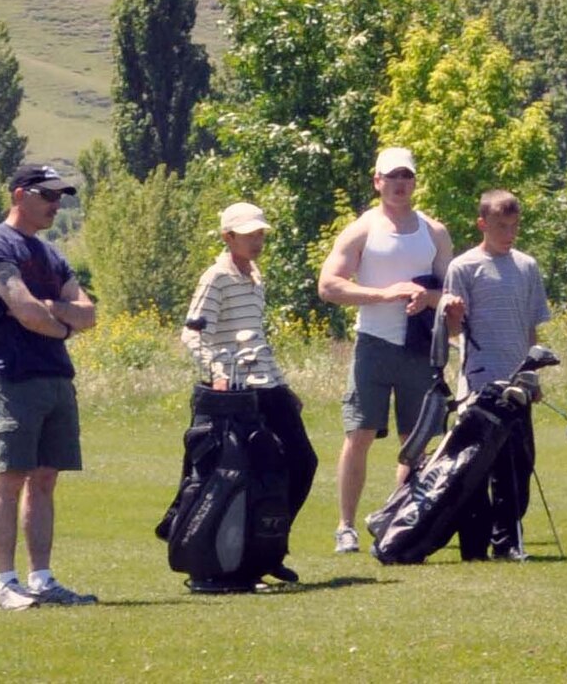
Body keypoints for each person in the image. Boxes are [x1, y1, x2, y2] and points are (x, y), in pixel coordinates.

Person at [0, 163, 99, 610]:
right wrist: (62, 325)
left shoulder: (51, 254)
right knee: (10, 479)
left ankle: (40, 579)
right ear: (21, 195)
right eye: (48, 196)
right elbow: (22, 309)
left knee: (45, 480)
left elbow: (89, 313)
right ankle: (6, 584)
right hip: (15, 378)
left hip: (56, 378)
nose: (55, 205)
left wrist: (53, 310)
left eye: (60, 197)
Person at [317, 146, 458, 554]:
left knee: (417, 440)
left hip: (420, 345)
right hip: (374, 345)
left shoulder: (434, 231)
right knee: (359, 433)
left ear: (414, 182)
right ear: (377, 181)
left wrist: (426, 298)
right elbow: (329, 285)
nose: (399, 184)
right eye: (391, 177)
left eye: (406, 177)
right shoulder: (362, 230)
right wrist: (384, 294)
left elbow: (450, 291)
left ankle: (399, 518)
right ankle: (345, 526)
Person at [179, 202, 320, 538]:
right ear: (228, 237)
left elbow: (257, 340)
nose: (257, 241)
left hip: (268, 386)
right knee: (251, 469)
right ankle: (248, 545)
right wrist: (218, 372)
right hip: (237, 391)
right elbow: (192, 334)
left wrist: (283, 387)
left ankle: (271, 540)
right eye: (248, 235)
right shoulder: (217, 277)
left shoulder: (256, 277)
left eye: (259, 233)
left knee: (302, 462)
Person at [442, 189, 552, 562]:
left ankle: (507, 541)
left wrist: (533, 376)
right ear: (482, 224)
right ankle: (474, 544)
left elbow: (531, 330)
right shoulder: (464, 267)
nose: (509, 233)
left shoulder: (527, 267)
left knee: (518, 465)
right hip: (478, 383)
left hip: (518, 382)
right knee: (475, 465)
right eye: (501, 226)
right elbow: (453, 331)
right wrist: (452, 314)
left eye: (514, 226)